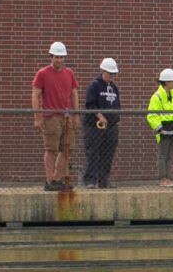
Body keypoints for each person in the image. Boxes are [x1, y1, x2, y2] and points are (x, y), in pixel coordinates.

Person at [31, 41, 79, 191]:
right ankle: (49, 180)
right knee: (50, 149)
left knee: (67, 148)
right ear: (51, 57)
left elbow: (74, 94)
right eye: (56, 57)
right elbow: (35, 94)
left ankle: (58, 178)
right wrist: (38, 118)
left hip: (66, 116)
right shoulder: (42, 73)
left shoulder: (69, 73)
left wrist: (75, 115)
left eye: (61, 57)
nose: (59, 60)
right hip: (50, 116)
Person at [82, 58, 120, 189]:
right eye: (110, 74)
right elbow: (90, 105)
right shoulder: (94, 86)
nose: (112, 76)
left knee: (107, 154)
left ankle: (104, 180)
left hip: (111, 127)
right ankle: (90, 180)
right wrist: (100, 116)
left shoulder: (114, 88)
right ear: (103, 71)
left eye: (114, 74)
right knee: (93, 153)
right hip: (94, 127)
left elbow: (117, 106)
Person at [146, 68, 173, 187]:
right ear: (166, 82)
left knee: (170, 156)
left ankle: (168, 178)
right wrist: (160, 128)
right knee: (163, 156)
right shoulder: (156, 97)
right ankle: (163, 179)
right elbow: (151, 115)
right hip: (164, 131)